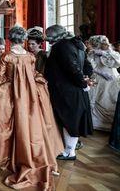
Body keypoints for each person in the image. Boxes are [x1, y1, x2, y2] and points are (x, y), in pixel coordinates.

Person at [0, 25, 63, 190]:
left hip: (13, 96)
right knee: (32, 124)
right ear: (23, 39)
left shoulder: (6, 57)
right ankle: (36, 155)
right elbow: (34, 75)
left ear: (10, 39)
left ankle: (10, 156)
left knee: (11, 124)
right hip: (30, 96)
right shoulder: (30, 56)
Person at [45, 25, 94, 161]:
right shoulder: (77, 45)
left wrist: (83, 82)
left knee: (69, 121)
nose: (47, 39)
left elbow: (72, 68)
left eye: (48, 36)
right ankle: (68, 151)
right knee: (71, 120)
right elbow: (87, 66)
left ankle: (69, 152)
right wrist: (85, 79)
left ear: (55, 36)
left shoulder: (62, 46)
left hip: (67, 90)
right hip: (75, 89)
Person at [87, 35, 120, 131]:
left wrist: (104, 53)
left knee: (111, 99)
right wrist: (101, 73)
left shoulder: (113, 53)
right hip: (98, 78)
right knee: (98, 98)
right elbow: (91, 65)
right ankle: (96, 124)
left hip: (112, 79)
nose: (106, 44)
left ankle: (112, 126)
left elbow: (118, 62)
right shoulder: (92, 53)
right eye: (103, 42)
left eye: (106, 42)